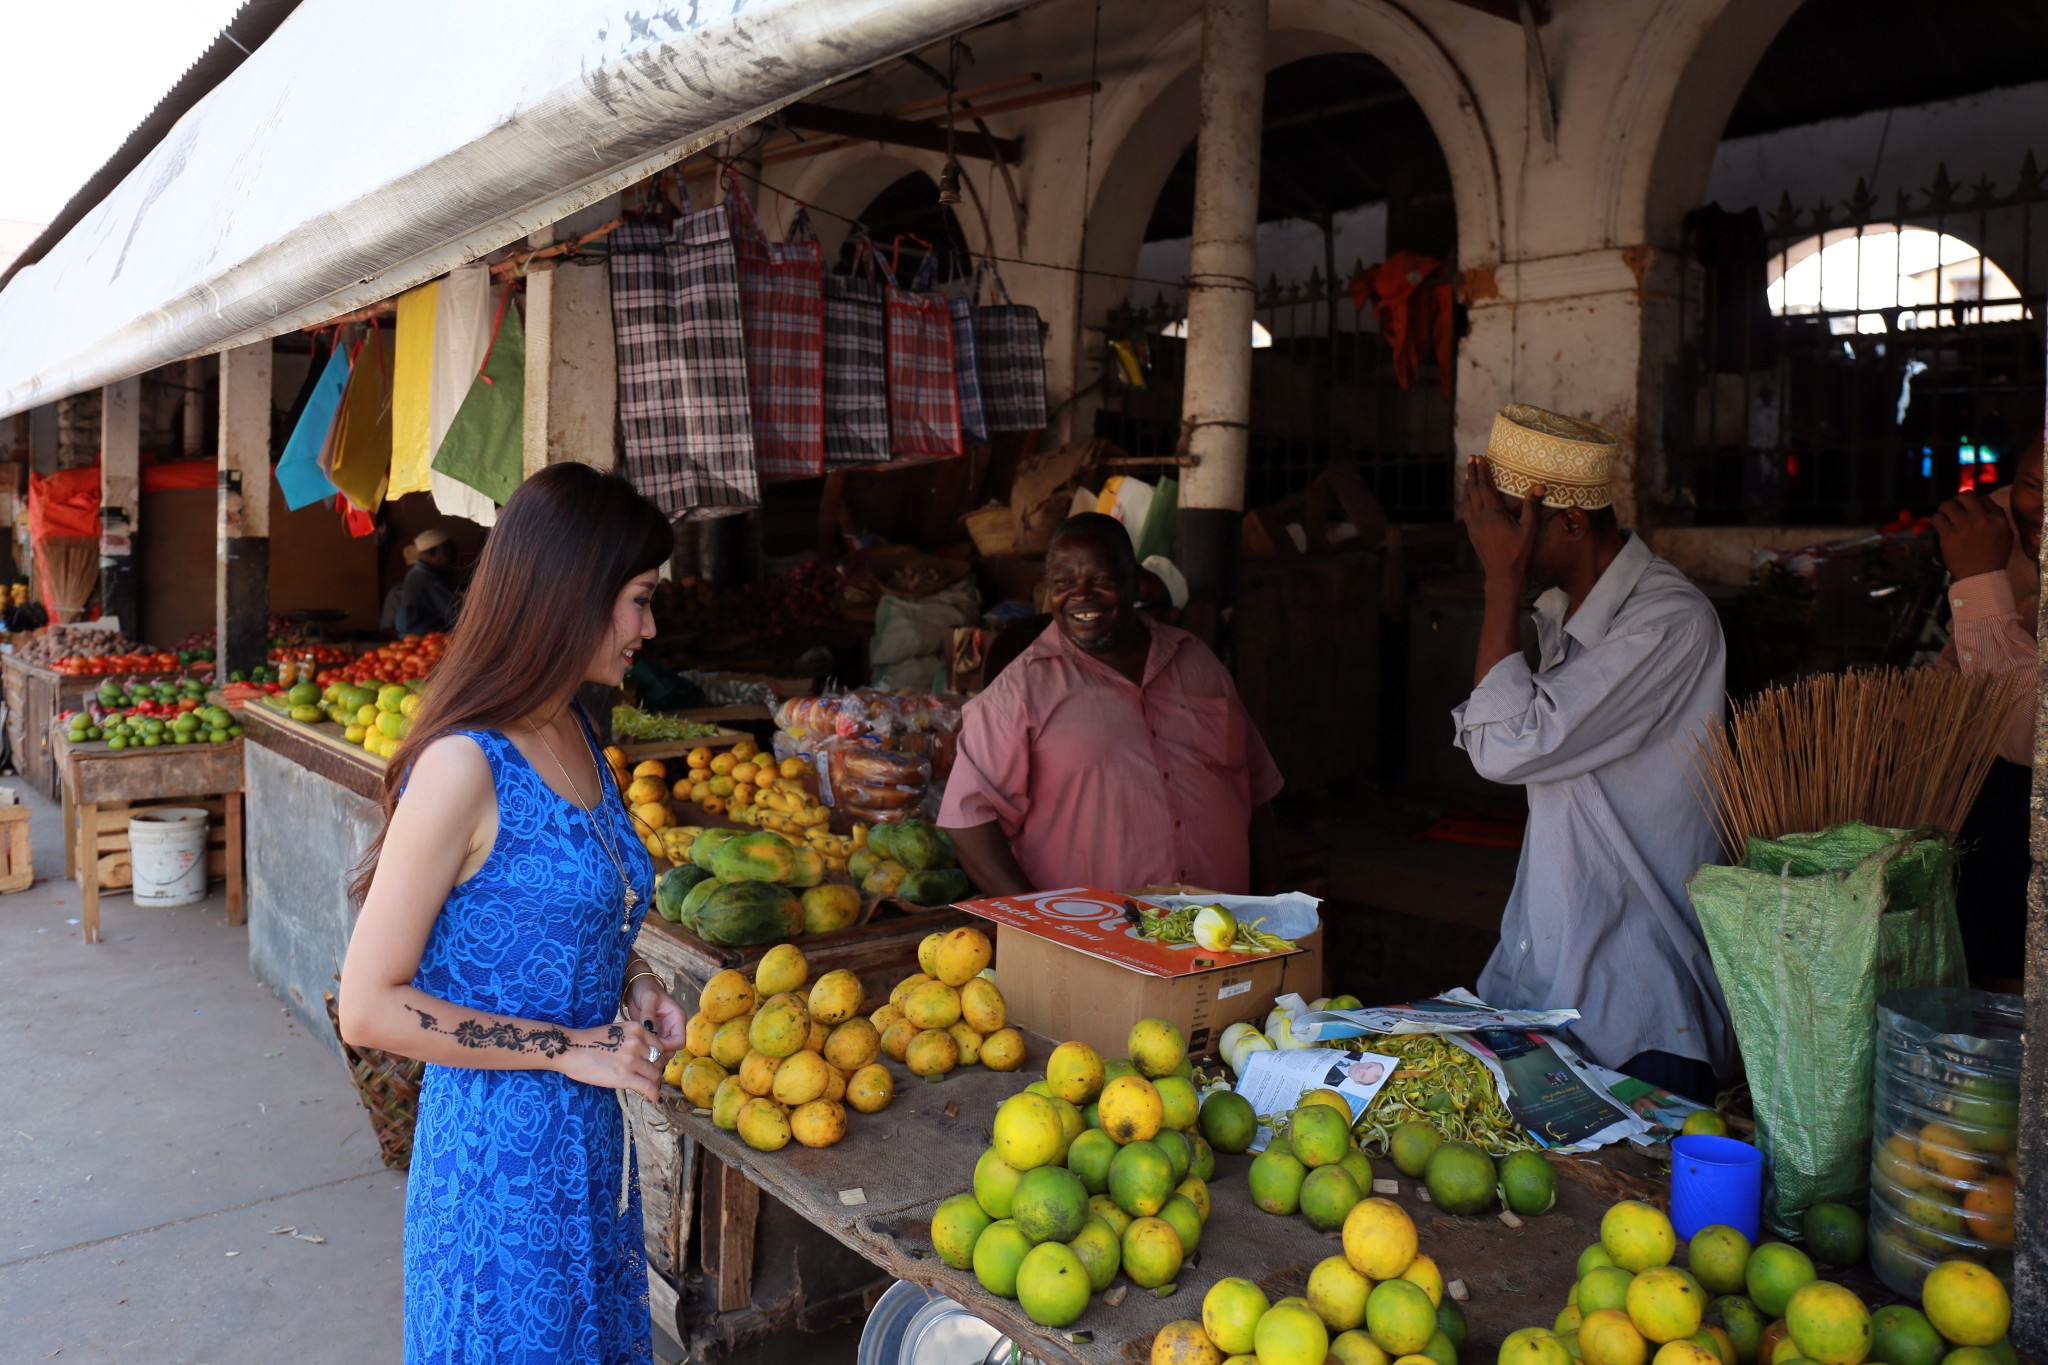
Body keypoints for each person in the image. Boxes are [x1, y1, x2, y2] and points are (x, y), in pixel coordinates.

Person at [338, 463, 682, 1365]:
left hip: (590, 1153)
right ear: (574, 592)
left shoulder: (574, 728)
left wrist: (635, 981)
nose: (650, 625)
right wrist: (567, 1046)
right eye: (639, 598)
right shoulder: (465, 766)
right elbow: (367, 1003)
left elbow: (579, 910)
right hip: (498, 1171)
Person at [1452, 405, 1733, 1103]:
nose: (1492, 537)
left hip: (1637, 1013)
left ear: (1571, 523)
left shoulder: (1668, 623)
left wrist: (1500, 583)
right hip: (1545, 985)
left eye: (1508, 521)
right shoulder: (1560, 613)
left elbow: (1502, 744)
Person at [940, 513, 1284, 896]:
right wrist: (1038, 921)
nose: (1081, 596)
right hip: (1099, 942)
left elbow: (1252, 783)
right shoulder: (1020, 690)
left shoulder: (1197, 661)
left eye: (1101, 581)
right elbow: (968, 817)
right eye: (1064, 583)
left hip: (1222, 930)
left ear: (1133, 581)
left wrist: (1275, 898)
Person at [1932, 437, 2043, 990]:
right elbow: (1960, 675)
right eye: (2034, 485)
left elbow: (2030, 735)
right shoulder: (2006, 527)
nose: (2040, 507)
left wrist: (1977, 578)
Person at [394, 527, 462, 637]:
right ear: (433, 552)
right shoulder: (424, 577)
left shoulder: (420, 573)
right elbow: (454, 613)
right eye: (447, 553)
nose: (451, 559)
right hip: (420, 637)